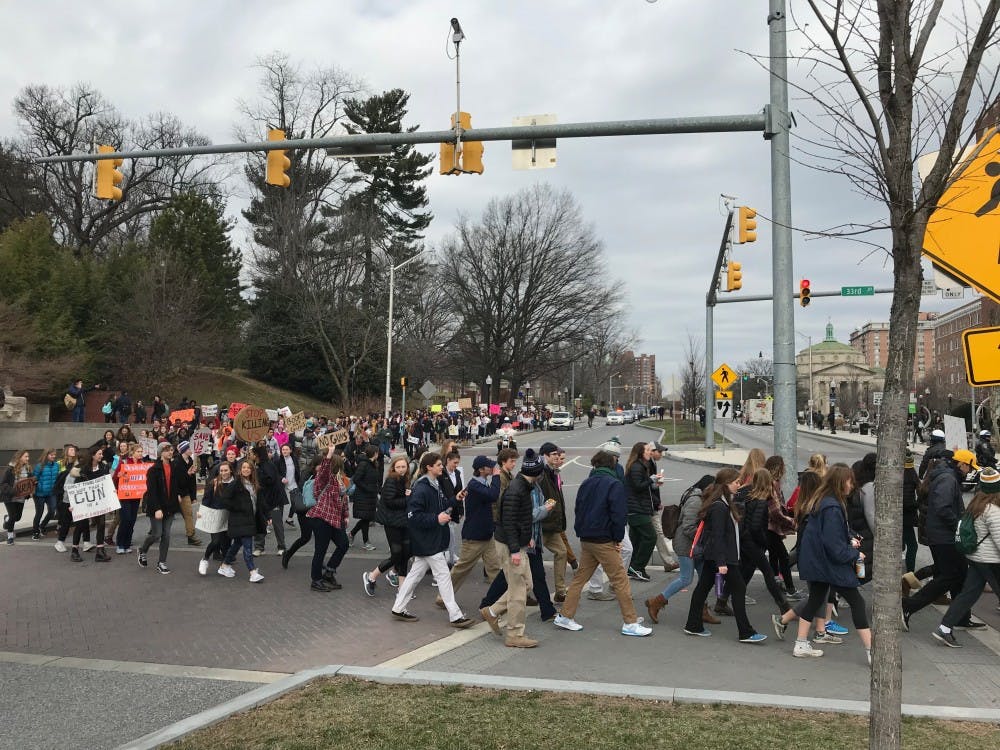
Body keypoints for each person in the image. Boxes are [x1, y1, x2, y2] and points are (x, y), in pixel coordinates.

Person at [771, 463, 873, 662]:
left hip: (817, 561)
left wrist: (848, 541)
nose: (852, 485)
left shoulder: (824, 502)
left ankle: (801, 643)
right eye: (850, 481)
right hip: (828, 563)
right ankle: (871, 650)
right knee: (857, 602)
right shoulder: (833, 507)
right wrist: (854, 554)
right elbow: (834, 544)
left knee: (816, 599)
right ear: (841, 482)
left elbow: (829, 537)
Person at [553, 450, 652, 637]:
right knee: (620, 580)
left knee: (580, 579)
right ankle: (630, 622)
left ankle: (565, 616)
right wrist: (617, 538)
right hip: (604, 539)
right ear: (612, 465)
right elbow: (618, 514)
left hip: (587, 538)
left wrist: (581, 532)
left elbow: (578, 509)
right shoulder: (614, 484)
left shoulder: (586, 483)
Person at [682, 468, 767, 643]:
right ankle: (746, 632)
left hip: (717, 556)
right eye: (736, 482)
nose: (739, 485)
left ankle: (693, 625)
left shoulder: (723, 503)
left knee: (702, 588)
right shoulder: (719, 507)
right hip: (722, 557)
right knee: (738, 588)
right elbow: (718, 536)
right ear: (726, 484)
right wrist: (722, 562)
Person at [389, 452, 473, 629]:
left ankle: (398, 607)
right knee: (443, 576)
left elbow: (439, 506)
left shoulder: (434, 484)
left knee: (415, 575)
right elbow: (413, 516)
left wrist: (455, 499)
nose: (442, 467)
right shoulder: (422, 488)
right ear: (429, 467)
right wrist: (437, 519)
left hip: (428, 539)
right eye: (439, 465)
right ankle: (455, 615)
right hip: (427, 540)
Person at [902, 450, 983, 630]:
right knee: (949, 576)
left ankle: (960, 617)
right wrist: (959, 525)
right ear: (962, 464)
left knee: (959, 574)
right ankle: (908, 606)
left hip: (942, 535)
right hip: (944, 537)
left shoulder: (948, 476)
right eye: (970, 468)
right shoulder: (948, 479)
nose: (970, 472)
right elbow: (942, 508)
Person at [479, 450, 546, 647]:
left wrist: (527, 538)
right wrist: (516, 550)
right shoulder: (517, 490)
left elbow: (520, 518)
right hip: (510, 546)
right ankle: (514, 634)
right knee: (518, 591)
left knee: (526, 585)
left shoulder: (523, 486)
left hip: (516, 543)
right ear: (537, 472)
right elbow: (508, 521)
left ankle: (492, 611)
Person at [932, 467, 1000, 647]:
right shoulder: (993, 510)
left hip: (976, 558)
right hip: (991, 561)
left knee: (967, 595)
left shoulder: (975, 505)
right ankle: (944, 628)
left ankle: (945, 628)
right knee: (968, 595)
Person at [646, 474, 719, 625]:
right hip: (686, 544)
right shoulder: (695, 500)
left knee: (705, 578)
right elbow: (688, 527)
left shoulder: (699, 497)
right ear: (708, 488)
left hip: (695, 545)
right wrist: (706, 538)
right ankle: (656, 602)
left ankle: (702, 610)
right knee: (686, 578)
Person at [432, 455, 501, 604]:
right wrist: (496, 477)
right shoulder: (475, 485)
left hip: (487, 535)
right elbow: (493, 495)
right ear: (481, 470)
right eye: (490, 466)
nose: (493, 468)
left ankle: (502, 599)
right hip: (474, 537)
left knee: (495, 568)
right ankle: (443, 597)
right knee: (461, 569)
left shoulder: (482, 483)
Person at [362, 456, 412, 594]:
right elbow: (390, 502)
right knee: (396, 555)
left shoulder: (406, 480)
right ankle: (371, 576)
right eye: (398, 467)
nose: (401, 469)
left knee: (406, 553)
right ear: (393, 468)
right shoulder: (391, 480)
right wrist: (407, 499)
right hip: (392, 522)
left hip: (404, 521)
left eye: (403, 466)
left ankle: (402, 588)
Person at [305, 448, 351, 592]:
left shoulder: (341, 479)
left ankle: (329, 572)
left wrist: (346, 515)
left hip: (335, 519)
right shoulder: (325, 478)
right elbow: (324, 471)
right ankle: (316, 580)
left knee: (343, 544)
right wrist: (329, 455)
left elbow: (344, 499)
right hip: (321, 518)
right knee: (321, 550)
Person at [216, 459, 266, 582]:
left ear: (252, 470)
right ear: (240, 469)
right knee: (248, 546)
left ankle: (224, 565)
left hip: (250, 519)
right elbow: (224, 500)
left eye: (248, 468)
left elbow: (259, 502)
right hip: (239, 520)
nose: (246, 469)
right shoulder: (236, 483)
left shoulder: (254, 484)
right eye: (244, 467)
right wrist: (238, 507)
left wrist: (267, 516)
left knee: (237, 544)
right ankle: (252, 572)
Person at [138, 442, 180, 574]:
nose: (170, 452)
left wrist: (178, 495)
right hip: (156, 507)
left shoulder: (174, 467)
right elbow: (152, 492)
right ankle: (142, 550)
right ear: (161, 452)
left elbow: (176, 484)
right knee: (156, 534)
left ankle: (162, 562)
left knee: (166, 535)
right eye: (167, 450)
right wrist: (157, 508)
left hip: (170, 507)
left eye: (171, 450)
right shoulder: (153, 470)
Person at [538, 443, 571, 601]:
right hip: (541, 524)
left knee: (562, 552)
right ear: (544, 456)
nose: (557, 457)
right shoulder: (541, 474)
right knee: (528, 561)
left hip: (551, 524)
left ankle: (560, 591)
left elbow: (556, 497)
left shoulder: (553, 472)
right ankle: (517, 593)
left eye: (558, 455)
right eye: (553, 455)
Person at [624, 442, 657, 582]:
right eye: (648, 450)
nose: (650, 452)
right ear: (640, 452)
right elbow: (638, 486)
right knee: (651, 537)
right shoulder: (637, 466)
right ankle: (637, 567)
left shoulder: (640, 465)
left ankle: (632, 567)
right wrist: (651, 480)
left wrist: (653, 483)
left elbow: (641, 487)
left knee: (636, 540)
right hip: (637, 509)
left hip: (638, 508)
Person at [647, 442, 680, 573]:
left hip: (649, 504)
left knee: (644, 535)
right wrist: (656, 501)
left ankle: (633, 563)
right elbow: (646, 486)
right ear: (652, 451)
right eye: (659, 452)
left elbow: (651, 486)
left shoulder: (652, 463)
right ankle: (668, 562)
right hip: (647, 505)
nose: (661, 454)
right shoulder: (647, 464)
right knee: (658, 532)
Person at [252, 445, 286, 556]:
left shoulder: (267, 465)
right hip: (262, 499)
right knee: (260, 523)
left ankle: (281, 547)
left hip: (273, 499)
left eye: (253, 454)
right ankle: (259, 547)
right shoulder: (257, 465)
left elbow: (270, 480)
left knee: (277, 524)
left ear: (257, 455)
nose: (251, 456)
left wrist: (258, 476)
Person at [2, 450, 33, 544]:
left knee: (17, 517)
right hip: (10, 497)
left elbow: (30, 482)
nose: (28, 458)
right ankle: (10, 537)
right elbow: (3, 483)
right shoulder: (10, 468)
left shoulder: (28, 468)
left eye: (28, 456)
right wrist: (13, 491)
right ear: (19, 457)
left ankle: (7, 518)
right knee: (13, 516)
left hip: (21, 498)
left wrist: (31, 488)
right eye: (25, 456)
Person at [31, 449, 61, 539]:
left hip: (51, 493)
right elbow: (34, 479)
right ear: (46, 455)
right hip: (39, 494)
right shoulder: (39, 466)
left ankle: (42, 526)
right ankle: (35, 532)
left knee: (52, 512)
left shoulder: (56, 465)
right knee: (39, 513)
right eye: (51, 455)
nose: (54, 456)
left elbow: (57, 477)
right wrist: (38, 486)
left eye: (54, 455)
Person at [902, 450, 920, 575]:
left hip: (903, 516)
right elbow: (907, 501)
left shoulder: (903, 474)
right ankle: (910, 573)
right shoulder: (910, 475)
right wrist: (917, 504)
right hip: (905, 517)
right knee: (912, 546)